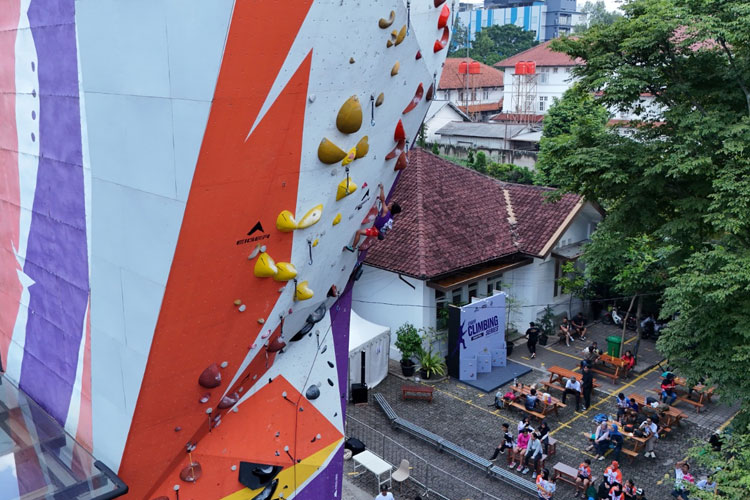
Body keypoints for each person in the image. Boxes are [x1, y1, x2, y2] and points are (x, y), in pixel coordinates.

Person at [345, 183, 401, 251]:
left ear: (391, 208)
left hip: (375, 231)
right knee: (363, 234)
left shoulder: (386, 211)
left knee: (358, 232)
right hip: (378, 232)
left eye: (391, 204)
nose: (389, 203)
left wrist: (382, 188)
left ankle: (353, 247)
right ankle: (359, 246)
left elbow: (383, 199)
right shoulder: (391, 217)